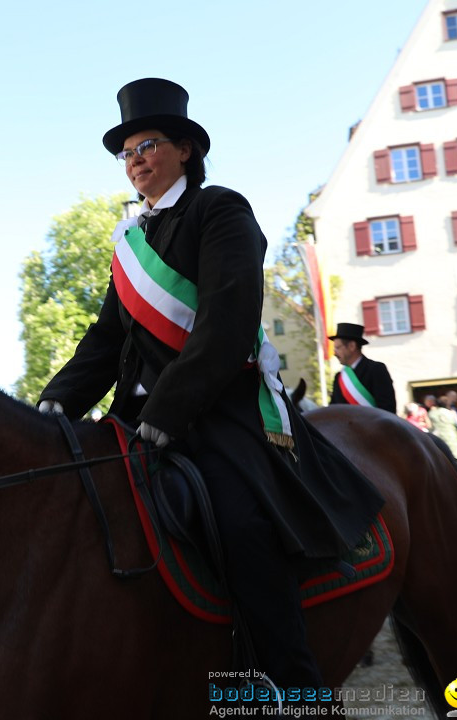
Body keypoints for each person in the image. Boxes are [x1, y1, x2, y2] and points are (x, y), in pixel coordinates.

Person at [37, 78, 384, 692]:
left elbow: (226, 325)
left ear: (185, 150)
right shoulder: (130, 242)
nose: (135, 159)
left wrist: (166, 413)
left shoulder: (219, 210)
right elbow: (105, 338)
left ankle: (290, 687)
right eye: (127, 151)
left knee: (242, 528)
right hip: (133, 419)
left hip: (217, 413)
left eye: (147, 144)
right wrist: (54, 403)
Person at [328, 323, 396, 413]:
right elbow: (333, 410)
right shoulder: (339, 377)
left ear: (352, 346)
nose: (335, 353)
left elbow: (387, 409)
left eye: (337, 348)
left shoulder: (376, 370)